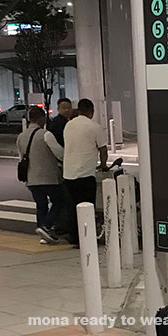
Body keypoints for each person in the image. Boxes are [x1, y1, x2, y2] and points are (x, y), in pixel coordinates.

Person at [16, 106, 66, 244]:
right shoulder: (46, 135)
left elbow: (21, 158)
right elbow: (60, 154)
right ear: (41, 119)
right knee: (59, 201)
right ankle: (46, 226)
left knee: (41, 205)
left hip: (31, 178)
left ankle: (43, 234)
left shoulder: (21, 137)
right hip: (49, 177)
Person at [63, 98, 108, 244]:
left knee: (72, 208)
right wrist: (103, 165)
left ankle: (74, 238)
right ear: (92, 111)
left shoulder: (68, 125)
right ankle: (86, 239)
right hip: (85, 174)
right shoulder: (94, 127)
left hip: (68, 173)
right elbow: (103, 149)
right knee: (87, 207)